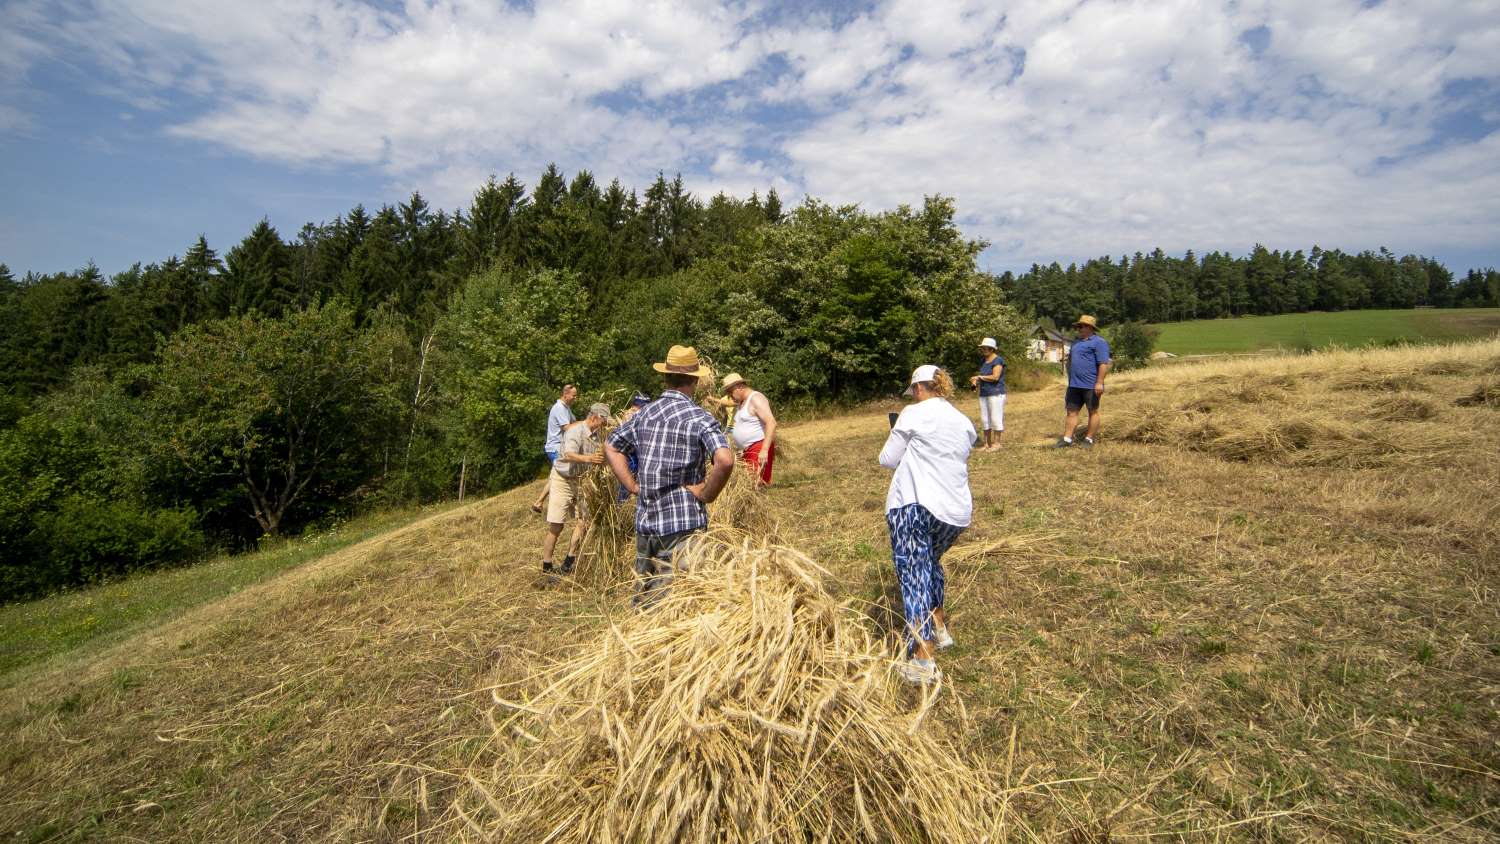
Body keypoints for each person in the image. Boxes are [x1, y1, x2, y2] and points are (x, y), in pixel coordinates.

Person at [605, 345, 734, 608]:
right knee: (680, 605)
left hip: (645, 523)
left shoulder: (645, 415)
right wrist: (706, 494)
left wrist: (631, 485)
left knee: (646, 603)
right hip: (683, 525)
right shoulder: (700, 418)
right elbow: (725, 460)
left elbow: (611, 445)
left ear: (665, 377)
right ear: (695, 380)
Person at [879, 364, 976, 684]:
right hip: (955, 513)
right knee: (929, 563)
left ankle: (922, 658)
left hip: (915, 505)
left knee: (914, 575)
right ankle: (940, 627)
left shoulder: (913, 413)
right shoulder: (963, 422)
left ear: (919, 389)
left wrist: (898, 437)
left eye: (914, 392)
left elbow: (887, 459)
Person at [541, 402, 611, 577]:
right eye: (603, 421)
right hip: (563, 479)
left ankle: (569, 562)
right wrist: (590, 459)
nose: (605, 424)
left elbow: (599, 457)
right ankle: (547, 566)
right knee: (557, 525)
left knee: (584, 521)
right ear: (594, 417)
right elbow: (568, 455)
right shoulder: (575, 431)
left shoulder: (597, 437)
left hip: (581, 481)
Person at [1056, 315, 1112, 449]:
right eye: (1078, 326)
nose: (1078, 329)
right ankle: (1067, 439)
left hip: (1091, 385)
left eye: (1081, 326)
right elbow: (1070, 361)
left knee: (1092, 411)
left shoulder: (1099, 342)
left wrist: (1099, 382)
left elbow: (1103, 364)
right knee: (1071, 412)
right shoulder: (1076, 342)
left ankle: (1089, 439)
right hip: (1074, 385)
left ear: (1090, 328)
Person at [720, 373, 778, 485]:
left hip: (759, 448)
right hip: (749, 450)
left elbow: (771, 422)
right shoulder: (742, 402)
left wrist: (764, 450)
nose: (729, 396)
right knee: (749, 486)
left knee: (754, 486)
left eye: (730, 392)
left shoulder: (756, 398)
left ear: (739, 387)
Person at [531, 384, 578, 514]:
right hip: (556, 447)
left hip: (560, 447)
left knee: (557, 475)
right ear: (565, 394)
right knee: (559, 475)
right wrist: (586, 424)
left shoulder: (566, 408)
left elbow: (574, 423)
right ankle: (541, 502)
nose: (575, 398)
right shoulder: (559, 408)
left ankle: (539, 503)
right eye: (574, 395)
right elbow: (567, 427)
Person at [968, 337, 1006, 451]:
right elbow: (983, 377)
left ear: (992, 349)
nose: (983, 350)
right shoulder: (983, 361)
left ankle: (997, 444)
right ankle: (987, 444)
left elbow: (995, 377)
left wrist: (979, 377)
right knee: (985, 419)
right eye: (982, 348)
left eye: (986, 348)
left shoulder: (998, 360)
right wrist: (975, 381)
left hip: (996, 393)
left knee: (995, 418)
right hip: (984, 393)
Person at [615, 393, 651, 503]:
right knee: (626, 483)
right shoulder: (629, 416)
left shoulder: (640, 415)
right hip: (630, 456)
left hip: (636, 455)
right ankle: (622, 508)